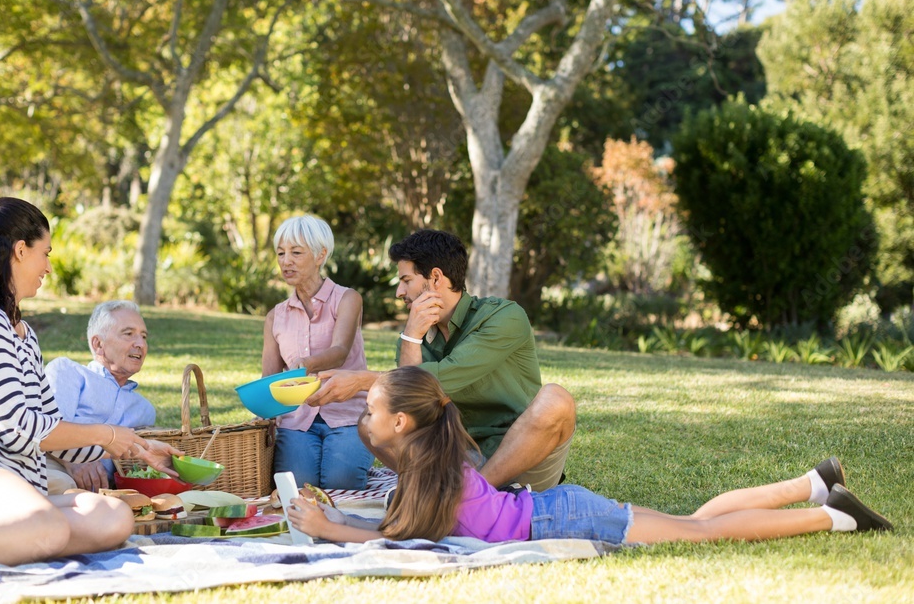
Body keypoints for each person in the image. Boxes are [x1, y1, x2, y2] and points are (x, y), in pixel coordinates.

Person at [287, 366, 894, 544]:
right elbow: (398, 521)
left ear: (400, 423)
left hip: (566, 520)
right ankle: (813, 483)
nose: (363, 418)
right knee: (694, 522)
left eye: (369, 409)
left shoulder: (427, 469)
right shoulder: (426, 457)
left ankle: (832, 515)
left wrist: (331, 528)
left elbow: (398, 539)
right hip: (560, 510)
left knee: (704, 532)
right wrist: (335, 517)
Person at [0, 198, 181, 571]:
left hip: (18, 482)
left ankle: (4, 532)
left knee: (112, 517)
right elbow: (18, 426)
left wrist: (137, 447)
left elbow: (54, 431)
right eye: (46, 253)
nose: (49, 266)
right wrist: (106, 434)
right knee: (48, 526)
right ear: (21, 251)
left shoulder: (25, 334)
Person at [307, 229, 575, 491]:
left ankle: (474, 499)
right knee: (369, 421)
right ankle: (448, 492)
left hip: (521, 456)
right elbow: (410, 403)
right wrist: (411, 337)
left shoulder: (504, 317)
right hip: (459, 455)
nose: (399, 292)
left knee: (556, 400)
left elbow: (443, 377)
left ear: (435, 277)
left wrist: (363, 380)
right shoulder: (413, 336)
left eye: (406, 280)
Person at [262, 214, 374, 490]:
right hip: (297, 420)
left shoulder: (347, 298)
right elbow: (269, 379)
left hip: (348, 415)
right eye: (281, 253)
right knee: (297, 488)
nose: (286, 261)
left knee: (341, 482)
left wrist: (305, 363)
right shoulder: (275, 316)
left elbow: (340, 351)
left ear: (320, 255)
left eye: (296, 252)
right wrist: (263, 415)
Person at [45, 300, 157, 493]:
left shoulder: (144, 410)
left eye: (144, 336)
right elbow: (46, 429)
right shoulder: (67, 371)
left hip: (103, 490)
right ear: (98, 344)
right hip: (54, 467)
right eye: (128, 334)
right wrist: (74, 460)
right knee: (62, 485)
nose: (140, 344)